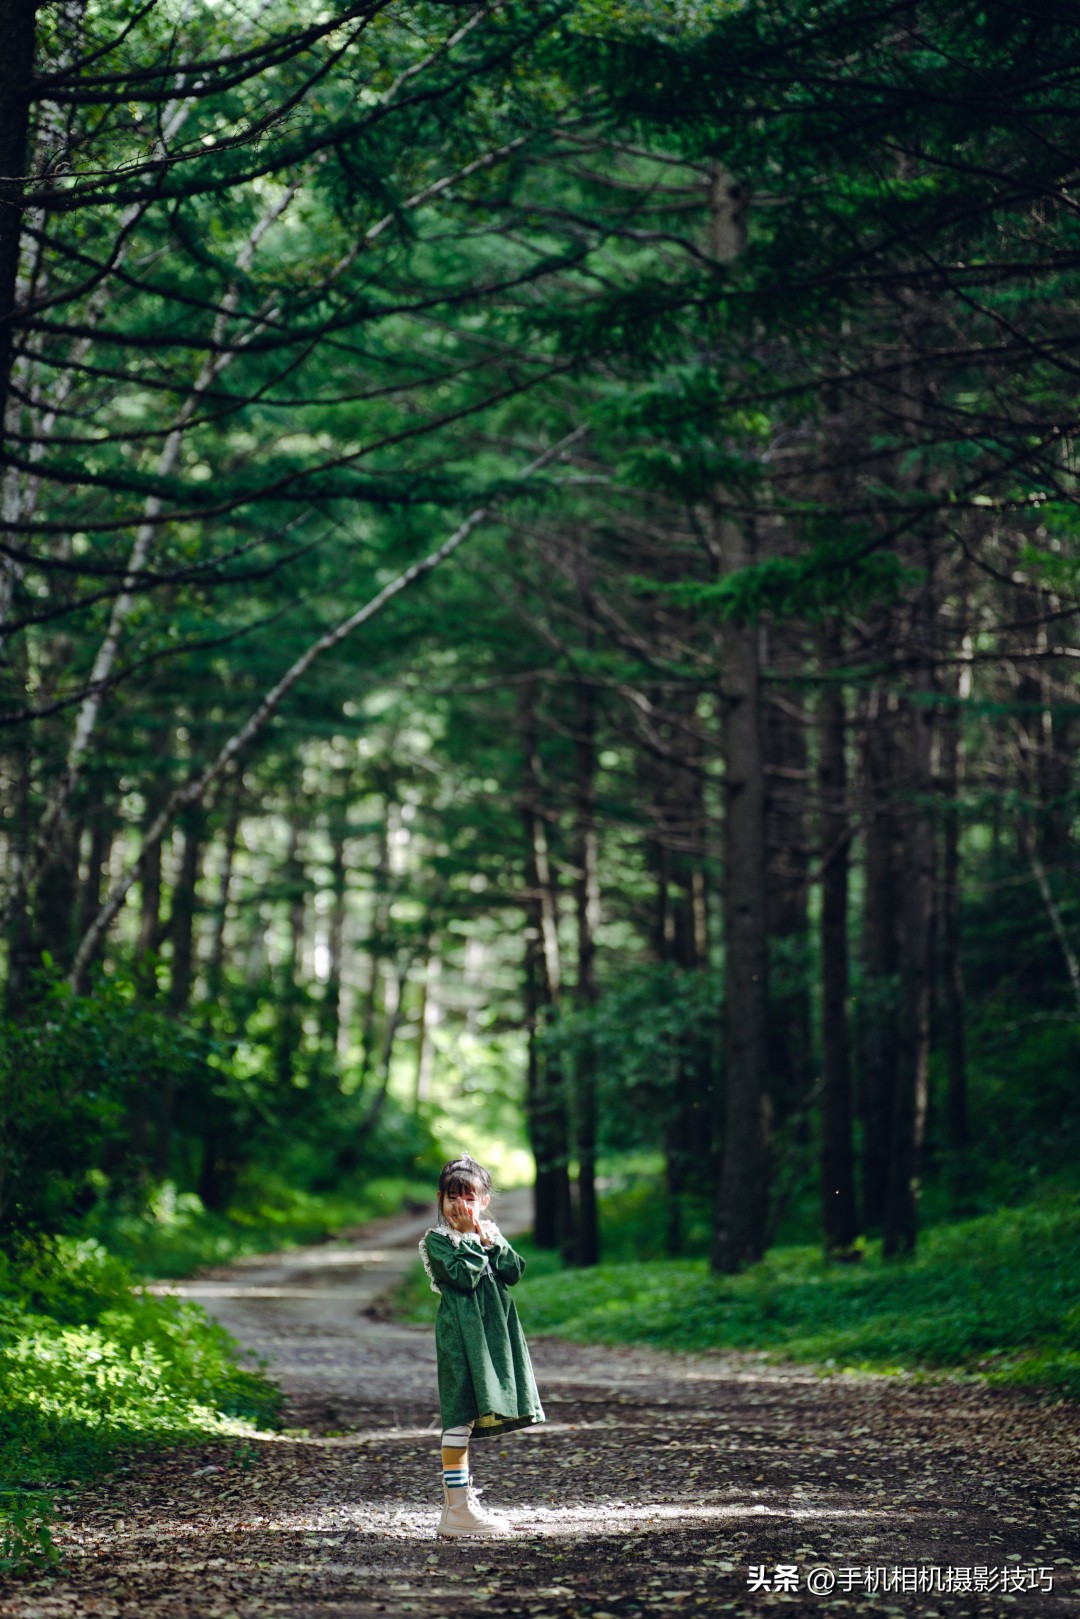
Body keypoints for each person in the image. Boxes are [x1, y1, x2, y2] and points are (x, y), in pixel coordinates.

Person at [419, 1154, 545, 1537]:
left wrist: (494, 1243)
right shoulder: (437, 1241)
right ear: (440, 1199)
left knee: (473, 1415)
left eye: (470, 1198)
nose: (461, 1207)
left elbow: (513, 1272)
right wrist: (475, 1242)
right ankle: (456, 1509)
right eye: (453, 1198)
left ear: (483, 1201)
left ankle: (460, 1506)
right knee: (459, 1411)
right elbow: (462, 1276)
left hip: (494, 1333)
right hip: (460, 1334)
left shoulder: (489, 1233)